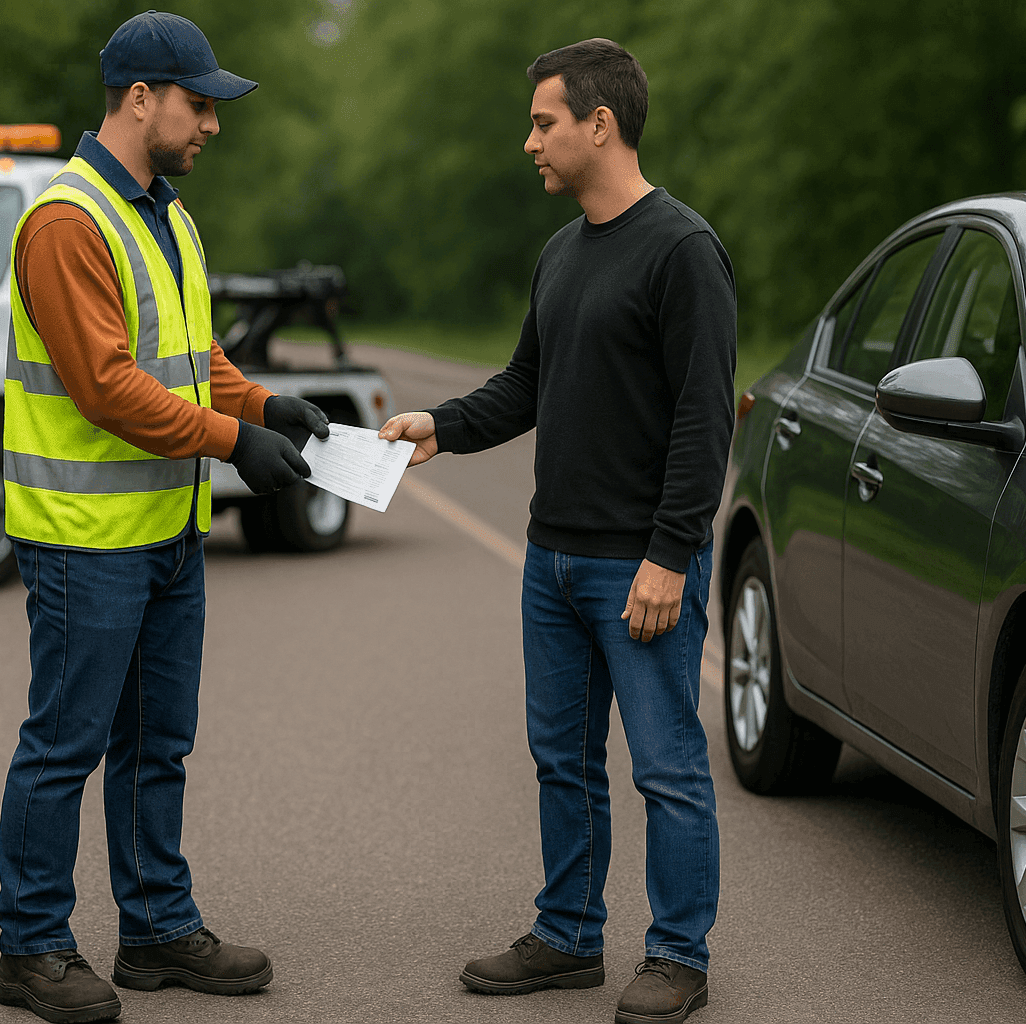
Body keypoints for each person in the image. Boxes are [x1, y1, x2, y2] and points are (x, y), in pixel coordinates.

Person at [379, 38, 736, 1024]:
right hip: (553, 559)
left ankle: (677, 954)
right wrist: (441, 425)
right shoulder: (563, 251)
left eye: (543, 122)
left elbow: (706, 419)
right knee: (563, 760)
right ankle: (570, 934)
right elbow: (530, 382)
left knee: (666, 766)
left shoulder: (682, 251)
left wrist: (671, 553)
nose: (528, 140)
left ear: (600, 124)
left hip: (640, 568)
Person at [0, 12, 330, 1024]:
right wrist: (232, 446)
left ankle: (154, 930)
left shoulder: (164, 215)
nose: (213, 124)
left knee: (157, 741)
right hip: (81, 538)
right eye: (200, 104)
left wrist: (266, 404)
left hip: (164, 533)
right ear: (140, 98)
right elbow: (103, 385)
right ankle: (33, 945)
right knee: (66, 742)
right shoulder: (68, 218)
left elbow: (190, 357)